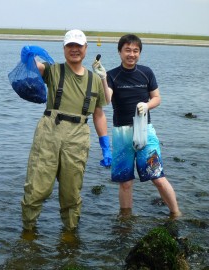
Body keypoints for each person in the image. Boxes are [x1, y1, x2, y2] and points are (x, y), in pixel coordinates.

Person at [20, 29, 111, 234]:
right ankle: (28, 231)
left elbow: (99, 114)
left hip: (79, 135)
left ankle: (69, 234)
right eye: (70, 46)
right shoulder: (53, 71)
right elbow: (35, 67)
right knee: (37, 187)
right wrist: (29, 55)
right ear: (64, 49)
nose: (75, 50)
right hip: (50, 130)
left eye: (79, 46)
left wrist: (106, 145)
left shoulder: (94, 79)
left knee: (71, 192)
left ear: (86, 49)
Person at [92, 34, 181, 218]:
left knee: (157, 176)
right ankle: (125, 221)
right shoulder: (112, 75)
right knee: (125, 182)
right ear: (119, 52)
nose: (131, 54)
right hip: (121, 133)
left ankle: (176, 213)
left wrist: (147, 105)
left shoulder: (146, 72)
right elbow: (107, 99)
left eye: (135, 51)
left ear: (139, 53)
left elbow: (157, 98)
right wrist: (102, 77)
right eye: (127, 50)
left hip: (145, 130)